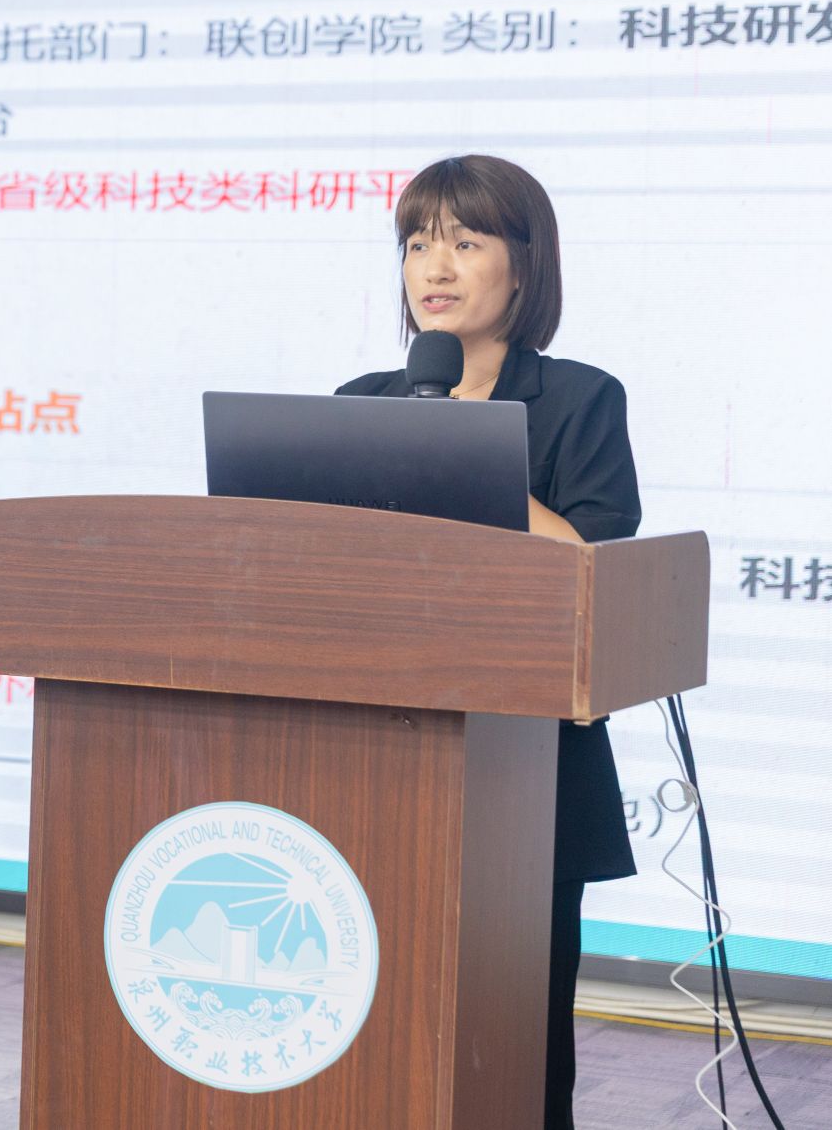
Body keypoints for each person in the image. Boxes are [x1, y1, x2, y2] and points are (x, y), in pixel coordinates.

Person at [333, 154, 640, 1130]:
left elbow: (592, 570)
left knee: (513, 1047)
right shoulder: (358, 405)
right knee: (376, 1029)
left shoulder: (579, 400)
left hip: (526, 773)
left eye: (465, 243)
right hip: (372, 762)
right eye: (416, 244)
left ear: (524, 264)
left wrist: (464, 463)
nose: (434, 267)